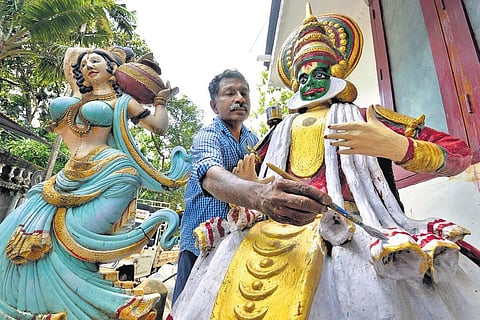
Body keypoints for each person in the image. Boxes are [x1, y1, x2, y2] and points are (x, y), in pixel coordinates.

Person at [169, 5, 480, 320]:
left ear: (338, 72)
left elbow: (459, 154)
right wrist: (252, 184)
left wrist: (395, 145)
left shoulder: (364, 117)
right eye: (302, 77)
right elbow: (223, 175)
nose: (310, 83)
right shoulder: (275, 135)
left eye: (319, 73)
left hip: (348, 229)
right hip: (271, 228)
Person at [0, 46, 190, 319]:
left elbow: (159, 126)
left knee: (74, 244)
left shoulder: (122, 102)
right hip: (66, 178)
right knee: (19, 237)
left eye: (96, 60)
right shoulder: (79, 97)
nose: (88, 65)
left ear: (113, 69)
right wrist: (75, 63)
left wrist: (160, 101)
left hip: (111, 174)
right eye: (84, 63)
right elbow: (71, 64)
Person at [172, 69, 330, 304]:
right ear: (214, 106)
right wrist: (260, 195)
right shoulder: (207, 136)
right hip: (201, 241)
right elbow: (211, 176)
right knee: (188, 306)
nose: (240, 98)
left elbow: (267, 176)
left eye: (244, 93)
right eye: (230, 93)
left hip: (235, 240)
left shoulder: (253, 140)